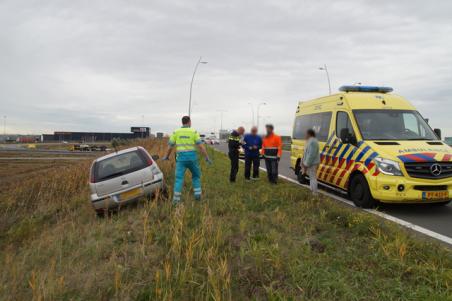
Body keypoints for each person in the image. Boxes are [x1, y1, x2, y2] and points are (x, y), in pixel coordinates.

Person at [163, 116, 211, 204]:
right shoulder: (194, 131)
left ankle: (176, 201)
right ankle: (198, 197)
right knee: (196, 176)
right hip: (192, 159)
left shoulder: (176, 132)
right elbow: (201, 146)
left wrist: (166, 156)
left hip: (181, 159)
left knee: (179, 179)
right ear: (189, 122)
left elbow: (170, 146)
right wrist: (206, 157)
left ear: (182, 122)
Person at [302, 129, 320, 194]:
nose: (305, 135)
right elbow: (306, 153)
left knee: (313, 178)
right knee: (311, 177)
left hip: (312, 163)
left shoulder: (312, 142)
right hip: (311, 163)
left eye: (306, 134)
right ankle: (312, 191)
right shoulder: (310, 141)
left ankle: (314, 193)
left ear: (309, 134)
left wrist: (306, 164)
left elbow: (311, 154)